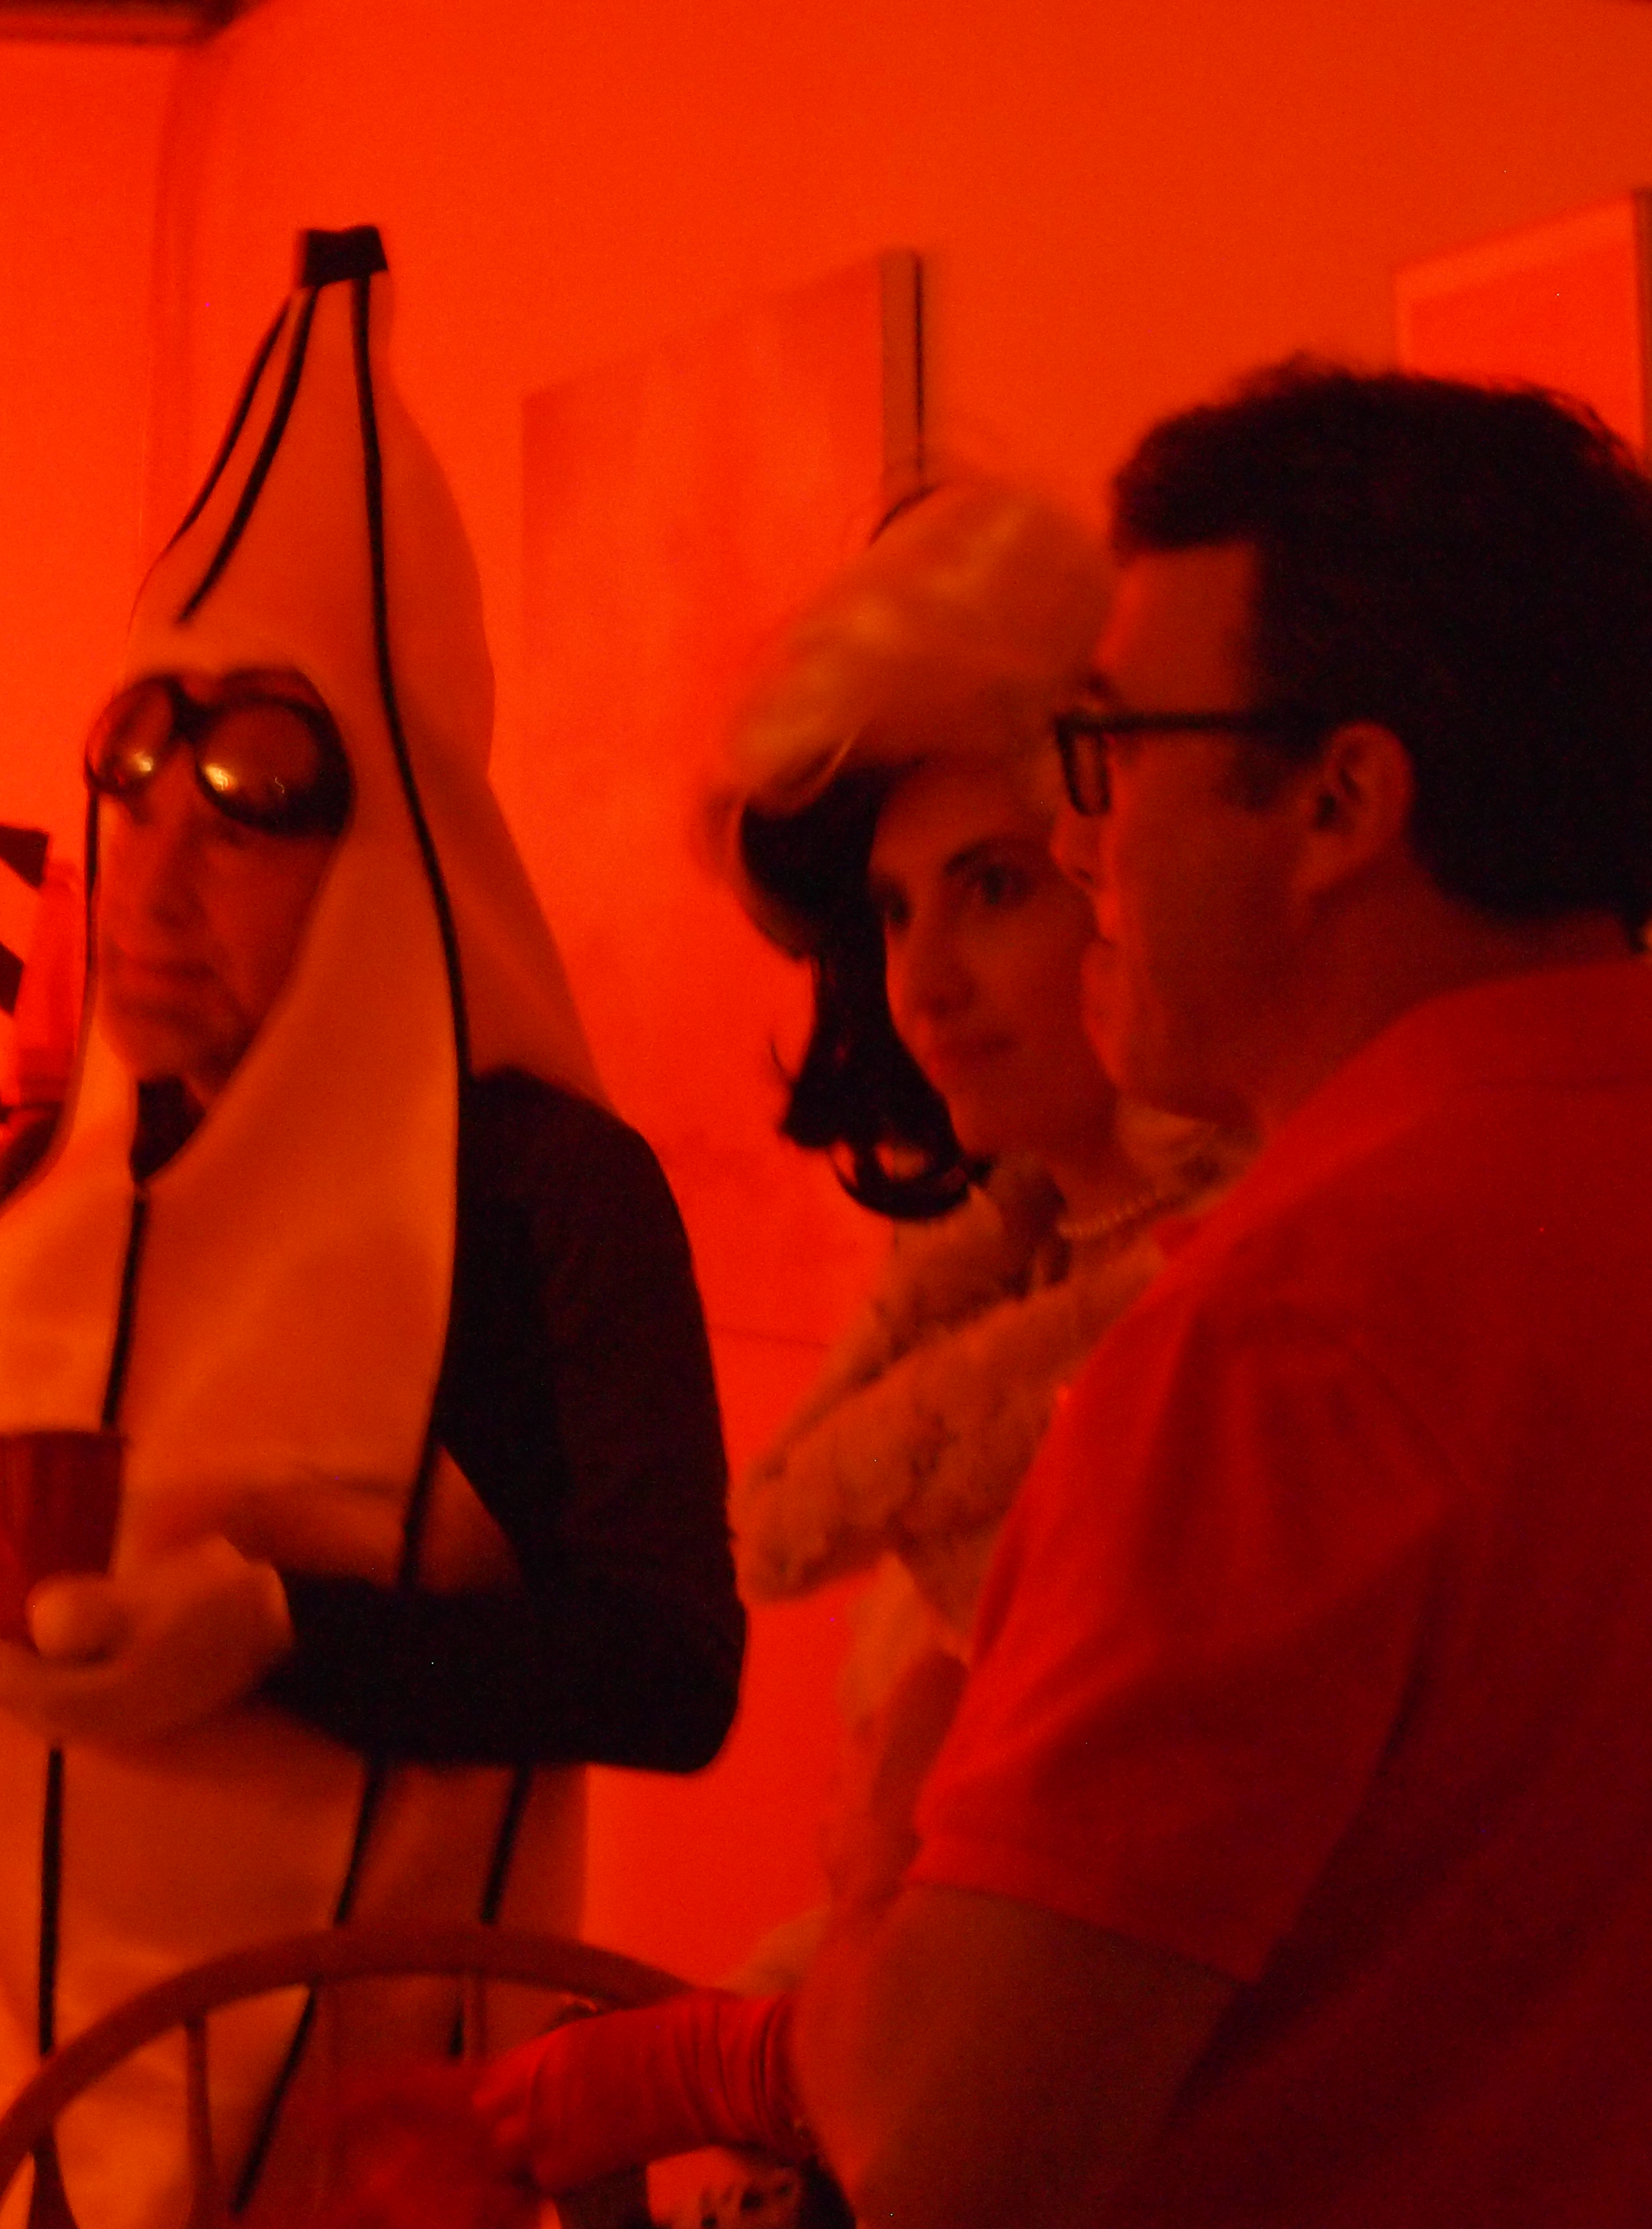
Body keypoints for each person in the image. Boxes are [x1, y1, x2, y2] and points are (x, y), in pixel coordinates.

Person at [786, 362, 1652, 2229]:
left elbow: (943, 2150)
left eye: (1108, 753)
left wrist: (887, 1836)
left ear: (1340, 802)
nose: (1086, 844)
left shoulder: (1285, 1345)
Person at [0, 227, 742, 2229]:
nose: (156, 878)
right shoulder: (50, 1201)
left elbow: (670, 1670)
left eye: (246, 810)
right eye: (134, 792)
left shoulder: (543, 1195)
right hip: (22, 2137)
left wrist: (288, 1635)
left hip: (399, 2152)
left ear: (388, 849)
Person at [475, 484, 1240, 2209]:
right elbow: (908, 1915)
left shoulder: (1223, 1330)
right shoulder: (996, 1297)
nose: (927, 980)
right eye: (893, 915)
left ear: (1116, 876)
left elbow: (1042, 1996)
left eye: (993, 889)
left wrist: (689, 2070)